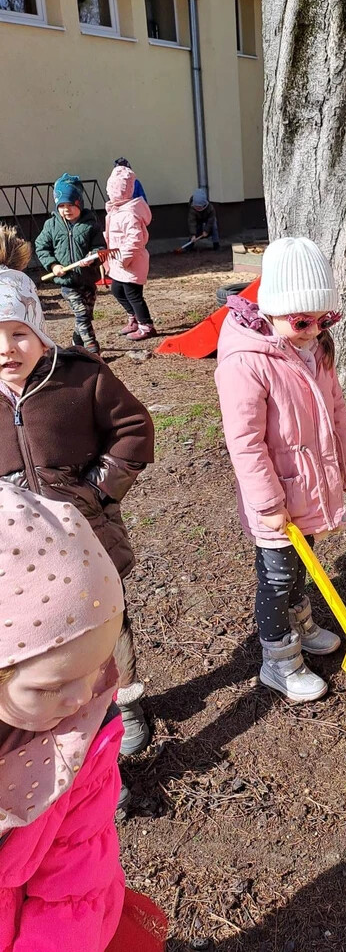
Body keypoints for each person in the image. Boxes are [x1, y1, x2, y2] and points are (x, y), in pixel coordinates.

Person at [0, 487, 167, 951]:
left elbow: (75, 880)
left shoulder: (83, 740)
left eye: (97, 667)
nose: (82, 699)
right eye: (51, 686)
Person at [0, 264, 155, 757]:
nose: (6, 349)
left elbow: (133, 429)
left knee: (109, 624)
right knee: (35, 642)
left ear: (40, 332)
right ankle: (48, 719)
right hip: (17, 562)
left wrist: (96, 491)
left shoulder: (82, 377)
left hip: (88, 540)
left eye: (18, 333)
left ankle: (125, 702)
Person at [214, 236, 346, 702]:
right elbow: (245, 441)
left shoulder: (315, 349)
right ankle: (279, 659)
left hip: (309, 485)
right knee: (276, 576)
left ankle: (303, 624)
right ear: (272, 311)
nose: (314, 329)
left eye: (324, 319)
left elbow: (336, 410)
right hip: (275, 495)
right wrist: (269, 503)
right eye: (301, 321)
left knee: (303, 562)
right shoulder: (246, 362)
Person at [34, 173, 105, 356]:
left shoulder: (91, 225)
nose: (66, 210)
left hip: (88, 279)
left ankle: (76, 342)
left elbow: (100, 247)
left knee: (86, 316)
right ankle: (92, 350)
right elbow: (41, 247)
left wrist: (93, 256)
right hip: (67, 281)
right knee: (81, 313)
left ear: (79, 203)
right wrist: (53, 265)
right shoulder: (51, 225)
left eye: (70, 205)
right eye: (62, 206)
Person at [104, 164, 156, 341]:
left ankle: (146, 325)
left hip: (132, 262)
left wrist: (125, 258)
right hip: (119, 262)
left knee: (134, 295)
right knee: (117, 289)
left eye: (114, 190)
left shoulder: (130, 213)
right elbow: (113, 234)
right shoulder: (115, 210)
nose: (111, 193)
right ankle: (132, 318)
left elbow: (135, 240)